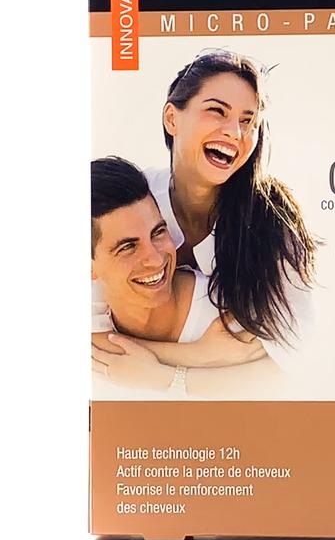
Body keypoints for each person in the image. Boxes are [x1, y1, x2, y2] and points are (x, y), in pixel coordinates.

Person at [93, 49, 317, 366]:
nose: (235, 133)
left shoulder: (273, 223)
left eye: (248, 121)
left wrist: (166, 376)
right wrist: (200, 355)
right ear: (172, 118)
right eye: (217, 111)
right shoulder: (129, 201)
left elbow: (295, 356)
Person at [91, 157, 273, 396]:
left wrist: (166, 376)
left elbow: (286, 380)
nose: (156, 259)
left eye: (158, 232)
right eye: (128, 247)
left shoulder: (233, 321)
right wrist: (200, 356)